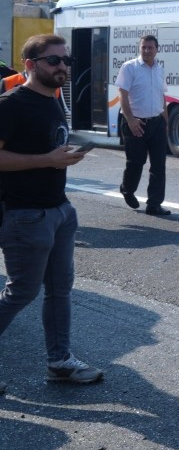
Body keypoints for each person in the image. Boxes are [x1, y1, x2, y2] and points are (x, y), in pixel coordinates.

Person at [0, 33, 102, 394]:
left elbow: (45, 147)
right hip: (25, 216)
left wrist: (66, 154)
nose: (63, 67)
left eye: (67, 61)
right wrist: (48, 160)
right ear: (30, 65)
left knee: (60, 291)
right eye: (54, 61)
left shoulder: (54, 100)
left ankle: (60, 361)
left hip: (59, 210)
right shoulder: (11, 104)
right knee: (21, 293)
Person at [117, 34, 170, 215]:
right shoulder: (129, 67)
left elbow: (162, 96)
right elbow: (122, 96)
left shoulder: (159, 69)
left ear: (157, 49)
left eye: (150, 48)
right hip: (135, 123)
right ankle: (127, 189)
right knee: (136, 162)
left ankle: (154, 204)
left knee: (158, 165)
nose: (147, 51)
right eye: (144, 47)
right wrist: (130, 120)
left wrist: (166, 121)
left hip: (156, 123)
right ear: (140, 49)